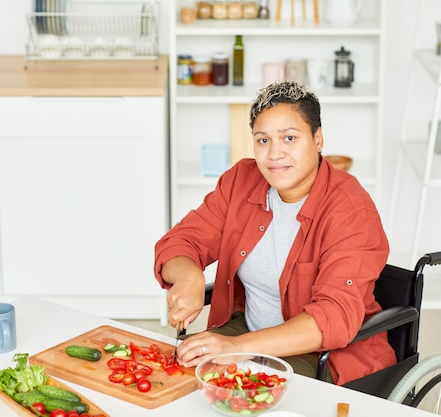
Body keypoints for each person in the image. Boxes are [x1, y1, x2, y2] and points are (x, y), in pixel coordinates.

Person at [154, 81, 395, 385]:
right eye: (263, 140)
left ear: (317, 139)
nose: (274, 154)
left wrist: (235, 347)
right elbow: (180, 242)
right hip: (247, 332)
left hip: (323, 354)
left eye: (289, 138)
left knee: (235, 394)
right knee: (179, 382)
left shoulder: (351, 209)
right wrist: (191, 278)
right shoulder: (240, 180)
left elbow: (333, 315)